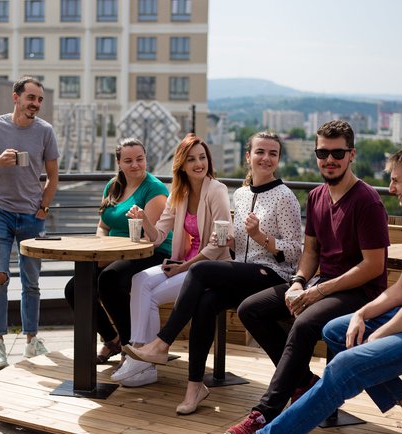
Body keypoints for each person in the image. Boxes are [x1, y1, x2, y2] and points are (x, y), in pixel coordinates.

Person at [207, 144, 402, 434]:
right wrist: (362, 315)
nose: (391, 187)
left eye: (397, 180)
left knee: (347, 362)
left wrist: (376, 337)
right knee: (337, 330)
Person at [217, 120, 390, 434]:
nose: (329, 159)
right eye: (322, 152)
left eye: (337, 153)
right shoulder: (317, 196)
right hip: (321, 283)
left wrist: (317, 291)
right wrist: (298, 282)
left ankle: (265, 412)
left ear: (351, 154)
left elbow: (373, 266)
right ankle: (305, 384)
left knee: (304, 323)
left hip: (360, 292)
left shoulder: (366, 200)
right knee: (251, 309)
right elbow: (310, 251)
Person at [123, 131, 302, 413]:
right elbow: (236, 244)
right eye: (260, 152)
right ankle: (195, 387)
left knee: (201, 271)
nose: (266, 158)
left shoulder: (285, 196)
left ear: (278, 159)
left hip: (273, 275)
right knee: (205, 302)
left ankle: (162, 342)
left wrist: (261, 237)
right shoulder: (241, 195)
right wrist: (233, 240)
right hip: (244, 272)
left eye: (273, 153)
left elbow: (294, 252)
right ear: (248, 157)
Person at [110, 133, 231, 387]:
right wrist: (144, 221)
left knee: (151, 295)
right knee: (139, 279)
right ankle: (140, 353)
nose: (199, 164)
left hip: (208, 267)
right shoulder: (180, 193)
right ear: (182, 165)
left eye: (202, 158)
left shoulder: (217, 190)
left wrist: (182, 267)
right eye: (191, 159)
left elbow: (218, 243)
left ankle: (143, 361)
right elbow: (158, 236)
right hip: (185, 263)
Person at [0, 76, 59, 369]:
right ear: (16, 97)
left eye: (40, 99)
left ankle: (31, 341)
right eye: (31, 97)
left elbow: (53, 177)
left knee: (31, 283)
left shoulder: (45, 131)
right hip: (0, 212)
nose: (36, 104)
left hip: (32, 216)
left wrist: (43, 208)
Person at [64, 137, 172, 364]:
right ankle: (111, 339)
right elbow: (102, 226)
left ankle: (130, 345)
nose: (135, 165)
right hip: (111, 253)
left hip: (151, 252)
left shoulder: (155, 189)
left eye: (140, 159)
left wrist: (107, 257)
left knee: (110, 280)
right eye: (128, 160)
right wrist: (102, 250)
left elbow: (147, 240)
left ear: (146, 160)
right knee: (75, 288)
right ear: (118, 163)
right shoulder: (113, 186)